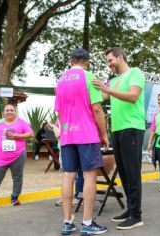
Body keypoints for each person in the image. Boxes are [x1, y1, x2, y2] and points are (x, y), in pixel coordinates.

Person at [55, 48, 109, 235]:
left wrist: (65, 132)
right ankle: (87, 223)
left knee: (68, 175)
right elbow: (96, 109)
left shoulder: (60, 80)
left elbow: (59, 113)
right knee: (89, 176)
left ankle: (67, 222)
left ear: (71, 61)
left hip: (67, 135)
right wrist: (103, 134)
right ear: (86, 62)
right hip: (86, 134)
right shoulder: (88, 76)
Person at [93, 47, 145, 230]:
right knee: (123, 171)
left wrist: (108, 89)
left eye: (110, 60)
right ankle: (130, 210)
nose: (109, 64)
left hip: (132, 128)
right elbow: (100, 97)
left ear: (120, 57)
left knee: (132, 172)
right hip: (117, 130)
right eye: (107, 61)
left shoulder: (135, 73)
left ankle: (136, 215)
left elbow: (133, 96)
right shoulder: (113, 80)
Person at [0, 104, 34, 209]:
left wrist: (17, 136)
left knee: (17, 177)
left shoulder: (21, 122)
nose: (9, 112)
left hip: (18, 155)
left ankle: (14, 198)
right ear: (4, 112)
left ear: (15, 112)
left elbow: (30, 133)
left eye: (11, 110)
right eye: (7, 110)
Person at [52, 119, 84, 207]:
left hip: (77, 146)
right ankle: (65, 198)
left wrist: (61, 131)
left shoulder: (74, 115)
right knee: (67, 174)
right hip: (65, 148)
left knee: (79, 173)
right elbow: (58, 134)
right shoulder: (58, 120)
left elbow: (60, 133)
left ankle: (78, 197)